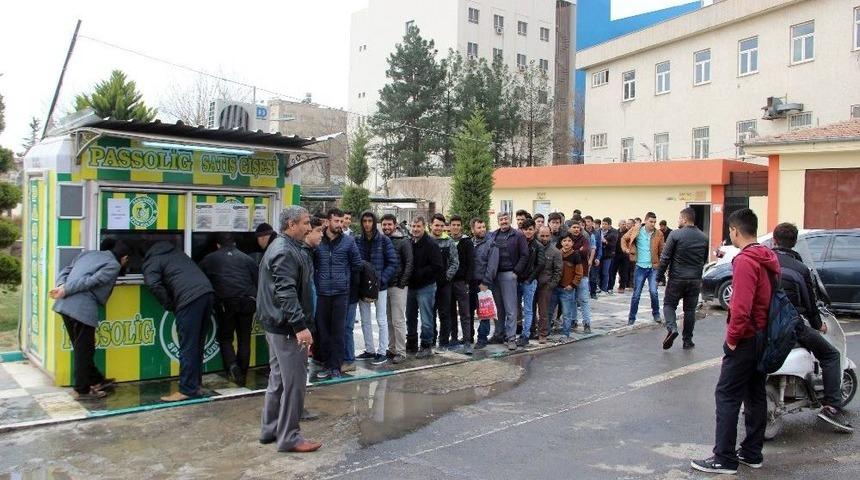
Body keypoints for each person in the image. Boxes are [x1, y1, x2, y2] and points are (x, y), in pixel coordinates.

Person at [692, 208, 779, 475]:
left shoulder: (744, 261)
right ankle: (752, 452)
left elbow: (740, 308)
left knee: (727, 396)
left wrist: (731, 340)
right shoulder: (767, 256)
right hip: (764, 335)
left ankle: (724, 458)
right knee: (755, 395)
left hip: (746, 337)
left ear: (734, 231)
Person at [771, 223, 852, 432]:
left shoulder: (764, 262)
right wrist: (819, 325)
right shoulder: (800, 268)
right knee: (831, 355)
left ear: (774, 240)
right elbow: (809, 304)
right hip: (792, 325)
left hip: (762, 324)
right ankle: (832, 407)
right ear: (795, 242)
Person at [257, 206, 322, 453]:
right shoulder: (284, 251)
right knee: (294, 383)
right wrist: (300, 327)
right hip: (286, 328)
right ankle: (289, 436)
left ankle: (270, 429)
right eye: (306, 223)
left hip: (277, 326)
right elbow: (285, 292)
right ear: (291, 224)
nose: (309, 227)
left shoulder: (286, 247)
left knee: (278, 380)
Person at [51, 240, 130, 400]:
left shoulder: (87, 253)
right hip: (82, 308)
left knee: (82, 348)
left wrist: (61, 285)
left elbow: (66, 270)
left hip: (64, 306)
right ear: (124, 257)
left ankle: (96, 380)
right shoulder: (113, 264)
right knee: (84, 350)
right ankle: (82, 390)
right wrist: (65, 289)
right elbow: (92, 281)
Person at [143, 241, 214, 402]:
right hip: (207, 293)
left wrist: (169, 304)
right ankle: (195, 385)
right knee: (197, 344)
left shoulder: (152, 260)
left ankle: (187, 390)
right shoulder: (177, 254)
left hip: (189, 299)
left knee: (188, 345)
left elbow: (153, 284)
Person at [199, 232, 259, 384]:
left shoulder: (210, 259)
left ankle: (232, 366)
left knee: (226, 338)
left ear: (218, 245)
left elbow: (199, 278)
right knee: (244, 339)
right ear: (235, 244)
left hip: (226, 302)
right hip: (248, 300)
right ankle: (243, 374)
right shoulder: (247, 258)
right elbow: (257, 279)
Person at [313, 208, 363, 380]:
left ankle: (336, 367)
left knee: (338, 332)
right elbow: (312, 264)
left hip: (342, 293)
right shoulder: (318, 241)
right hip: (322, 293)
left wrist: (347, 282)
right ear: (327, 222)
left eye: (342, 221)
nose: (340, 224)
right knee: (323, 332)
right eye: (336, 221)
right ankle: (327, 364)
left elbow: (357, 265)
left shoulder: (348, 242)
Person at [658, 208, 709, 350]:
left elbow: (665, 258)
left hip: (677, 278)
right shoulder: (704, 237)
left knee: (669, 305)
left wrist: (658, 277)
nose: (678, 220)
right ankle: (687, 340)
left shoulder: (675, 234)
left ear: (684, 219)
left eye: (679, 218)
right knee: (690, 310)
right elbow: (703, 260)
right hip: (694, 279)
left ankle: (672, 328)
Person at [354, 211, 398, 365]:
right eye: (364, 221)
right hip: (362, 286)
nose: (367, 224)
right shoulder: (357, 240)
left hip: (380, 285)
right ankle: (369, 350)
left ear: (374, 223)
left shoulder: (384, 241)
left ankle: (382, 351)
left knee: (381, 319)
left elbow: (393, 263)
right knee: (365, 319)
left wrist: (381, 279)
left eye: (370, 221)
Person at [486, 212, 529, 351]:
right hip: (495, 276)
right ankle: (499, 334)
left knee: (511, 308)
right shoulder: (492, 235)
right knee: (498, 308)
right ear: (498, 221)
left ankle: (511, 338)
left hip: (509, 275)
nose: (503, 221)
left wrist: (516, 272)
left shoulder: (518, 235)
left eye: (505, 219)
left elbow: (524, 255)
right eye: (501, 219)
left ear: (509, 220)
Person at [406, 216, 443, 359]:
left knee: (426, 318)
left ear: (424, 227)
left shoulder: (431, 244)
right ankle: (412, 343)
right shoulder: (409, 242)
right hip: (411, 287)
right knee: (410, 317)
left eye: (418, 227)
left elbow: (437, 266)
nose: (415, 229)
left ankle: (426, 345)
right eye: (413, 226)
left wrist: (418, 274)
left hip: (426, 286)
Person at [622, 212, 665, 325]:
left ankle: (656, 314)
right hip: (640, 266)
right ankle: (632, 318)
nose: (653, 224)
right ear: (645, 221)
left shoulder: (659, 234)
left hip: (653, 267)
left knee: (653, 292)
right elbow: (624, 238)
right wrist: (626, 250)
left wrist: (662, 266)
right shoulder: (636, 230)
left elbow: (662, 251)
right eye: (651, 221)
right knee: (636, 294)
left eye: (654, 222)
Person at [381, 214, 413, 364]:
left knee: (398, 320)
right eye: (384, 224)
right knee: (388, 320)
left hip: (398, 286)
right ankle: (392, 348)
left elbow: (409, 262)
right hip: (385, 286)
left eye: (389, 224)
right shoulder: (380, 240)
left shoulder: (403, 241)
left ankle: (401, 351)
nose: (386, 227)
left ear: (395, 225)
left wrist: (402, 282)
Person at [428, 214, 459, 349]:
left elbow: (454, 263)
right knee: (429, 314)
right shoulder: (426, 241)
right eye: (436, 225)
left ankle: (444, 342)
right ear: (431, 225)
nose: (439, 228)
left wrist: (446, 278)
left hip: (445, 284)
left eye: (441, 225)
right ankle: (431, 340)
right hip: (427, 284)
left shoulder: (449, 242)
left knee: (445, 313)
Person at [448, 215, 474, 354]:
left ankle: (467, 341)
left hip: (461, 282)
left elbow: (471, 263)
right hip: (448, 282)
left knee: (465, 312)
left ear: (461, 227)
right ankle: (453, 338)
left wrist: (467, 282)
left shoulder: (467, 242)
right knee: (450, 311)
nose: (456, 227)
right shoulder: (446, 241)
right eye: (453, 224)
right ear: (449, 226)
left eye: (458, 225)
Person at [471, 218, 499, 349]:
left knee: (484, 312)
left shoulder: (491, 243)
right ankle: (469, 336)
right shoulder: (471, 243)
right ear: (473, 229)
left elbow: (492, 265)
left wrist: (486, 282)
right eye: (479, 227)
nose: (482, 229)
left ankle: (482, 338)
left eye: (483, 227)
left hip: (484, 282)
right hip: (471, 282)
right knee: (470, 311)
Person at [518, 218, 544, 347]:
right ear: (522, 230)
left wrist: (530, 279)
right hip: (517, 280)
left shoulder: (538, 245)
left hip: (530, 281)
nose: (528, 232)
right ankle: (511, 333)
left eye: (530, 229)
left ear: (534, 230)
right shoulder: (519, 242)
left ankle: (526, 334)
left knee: (528, 309)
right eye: (525, 229)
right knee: (514, 308)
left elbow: (540, 265)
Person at [555, 233, 584, 338]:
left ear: (572, 243)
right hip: (555, 287)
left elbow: (579, 273)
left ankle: (566, 334)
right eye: (564, 241)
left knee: (567, 313)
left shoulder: (575, 255)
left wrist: (572, 285)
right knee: (550, 311)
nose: (566, 243)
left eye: (569, 241)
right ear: (561, 242)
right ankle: (546, 333)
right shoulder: (557, 253)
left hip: (567, 289)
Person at [536, 226, 561, 344]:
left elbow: (558, 271)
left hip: (546, 286)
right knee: (529, 310)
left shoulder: (555, 252)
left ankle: (543, 333)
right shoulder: (533, 247)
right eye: (542, 235)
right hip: (532, 283)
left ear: (550, 236)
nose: (544, 238)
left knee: (543, 312)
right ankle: (531, 331)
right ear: (538, 234)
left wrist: (551, 285)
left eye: (547, 235)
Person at [584, 216, 603, 299]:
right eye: (585, 222)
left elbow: (599, 246)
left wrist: (598, 258)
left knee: (593, 276)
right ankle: (585, 292)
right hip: (584, 258)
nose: (587, 223)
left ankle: (593, 292)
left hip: (594, 257)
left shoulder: (596, 233)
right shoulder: (582, 232)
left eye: (588, 221)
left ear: (592, 223)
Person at [599, 217, 619, 295]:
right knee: (600, 272)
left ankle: (605, 289)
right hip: (600, 255)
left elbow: (613, 244)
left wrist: (605, 241)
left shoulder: (613, 232)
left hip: (608, 255)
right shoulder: (600, 231)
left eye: (605, 224)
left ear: (609, 225)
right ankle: (600, 288)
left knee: (605, 272)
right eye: (602, 224)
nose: (603, 226)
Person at [612, 219, 631, 293]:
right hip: (616, 254)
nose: (624, 225)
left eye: (624, 224)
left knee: (623, 271)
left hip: (625, 255)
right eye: (622, 224)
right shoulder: (616, 232)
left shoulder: (628, 233)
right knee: (613, 271)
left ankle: (622, 286)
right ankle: (611, 286)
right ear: (618, 225)